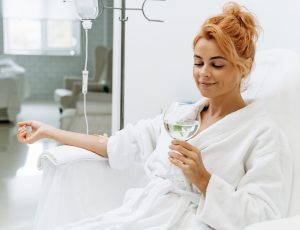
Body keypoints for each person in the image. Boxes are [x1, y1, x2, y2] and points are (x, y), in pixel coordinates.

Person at [17, 2, 293, 230]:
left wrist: (204, 179)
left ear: (244, 68)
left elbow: (264, 216)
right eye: (198, 63)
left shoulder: (263, 135)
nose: (203, 73)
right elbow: (116, 146)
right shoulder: (180, 117)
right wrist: (50, 131)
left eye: (217, 65)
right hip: (141, 215)